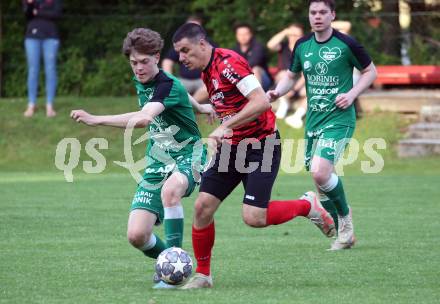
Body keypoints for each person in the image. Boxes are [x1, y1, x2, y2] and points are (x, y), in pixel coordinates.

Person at [172, 23, 335, 289]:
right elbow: (229, 98)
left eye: (185, 50)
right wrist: (208, 108)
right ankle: (203, 275)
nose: (181, 57)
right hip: (232, 147)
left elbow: (260, 101)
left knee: (254, 218)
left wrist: (225, 125)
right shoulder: (207, 69)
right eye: (179, 53)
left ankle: (308, 206)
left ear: (202, 44)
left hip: (262, 144)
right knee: (202, 207)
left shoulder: (229, 63)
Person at [70, 28, 215, 289]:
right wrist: (201, 106)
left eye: (144, 62)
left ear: (157, 57)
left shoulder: (165, 84)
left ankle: (175, 269)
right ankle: (166, 262)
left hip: (188, 155)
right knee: (137, 236)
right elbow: (179, 89)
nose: (139, 68)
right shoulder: (150, 80)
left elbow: (146, 117)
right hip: (158, 161)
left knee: (171, 191)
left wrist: (97, 119)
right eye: (133, 63)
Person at [267, 0, 377, 250]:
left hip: (339, 120)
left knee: (320, 172)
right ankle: (344, 235)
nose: (317, 17)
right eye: (313, 12)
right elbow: (291, 77)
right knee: (321, 182)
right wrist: (277, 92)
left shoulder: (346, 44)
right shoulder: (302, 45)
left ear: (332, 15)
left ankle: (346, 221)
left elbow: (371, 71)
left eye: (322, 12)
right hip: (313, 122)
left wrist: (352, 95)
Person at [23, 0, 62, 118]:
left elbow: (56, 14)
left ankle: (49, 105)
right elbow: (27, 14)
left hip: (51, 37)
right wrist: (30, 5)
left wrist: (38, 11)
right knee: (33, 70)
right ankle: (31, 104)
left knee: (50, 70)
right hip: (32, 37)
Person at [162, 15, 210, 104]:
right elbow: (167, 61)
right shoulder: (180, 44)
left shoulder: (208, 45)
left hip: (203, 81)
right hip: (185, 80)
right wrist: (170, 79)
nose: (181, 58)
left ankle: (189, 105)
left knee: (209, 86)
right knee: (168, 89)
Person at [267, 23, 307, 128]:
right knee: (283, 74)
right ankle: (284, 104)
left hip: (300, 83)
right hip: (283, 82)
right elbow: (270, 45)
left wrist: (294, 90)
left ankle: (297, 116)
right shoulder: (283, 46)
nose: (293, 37)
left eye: (297, 35)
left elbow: (305, 74)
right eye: (292, 34)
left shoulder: (305, 49)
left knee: (313, 89)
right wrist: (285, 31)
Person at [232, 23, 273, 91]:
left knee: (255, 69)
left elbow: (253, 62)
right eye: (240, 34)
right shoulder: (233, 50)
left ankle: (259, 98)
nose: (243, 37)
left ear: (251, 34)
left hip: (263, 80)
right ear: (236, 36)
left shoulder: (258, 47)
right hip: (241, 81)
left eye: (245, 34)